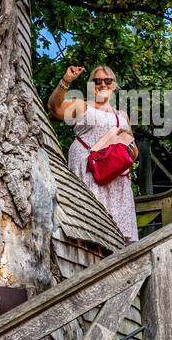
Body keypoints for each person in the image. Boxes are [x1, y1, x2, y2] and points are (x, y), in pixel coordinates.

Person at [48, 64, 139, 244]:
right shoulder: (82, 106)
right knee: (88, 227)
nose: (103, 84)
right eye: (97, 81)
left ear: (114, 85)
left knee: (119, 237)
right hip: (87, 171)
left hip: (116, 181)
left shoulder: (122, 115)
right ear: (91, 85)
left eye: (107, 80)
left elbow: (133, 151)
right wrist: (66, 81)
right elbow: (55, 108)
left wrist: (128, 150)